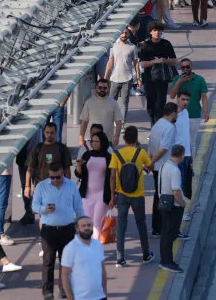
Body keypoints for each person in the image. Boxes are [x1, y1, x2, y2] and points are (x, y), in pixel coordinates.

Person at [33, 162, 86, 300]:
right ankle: (48, 291)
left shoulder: (71, 186)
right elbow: (34, 206)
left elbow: (78, 206)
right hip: (48, 230)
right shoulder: (41, 186)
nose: (55, 180)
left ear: (63, 173)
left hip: (67, 228)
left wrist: (83, 223)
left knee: (66, 261)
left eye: (58, 177)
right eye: (52, 177)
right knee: (48, 260)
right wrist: (44, 209)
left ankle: (64, 288)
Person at [109, 125, 154, 267]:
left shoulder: (116, 154)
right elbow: (150, 167)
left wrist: (112, 196)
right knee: (141, 224)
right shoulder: (140, 153)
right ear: (136, 138)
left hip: (121, 194)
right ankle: (146, 254)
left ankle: (120, 257)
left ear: (124, 138)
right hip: (138, 194)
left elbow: (112, 177)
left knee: (121, 226)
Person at [138, 22, 177, 124]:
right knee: (151, 104)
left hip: (162, 78)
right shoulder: (145, 46)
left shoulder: (166, 44)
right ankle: (153, 123)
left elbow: (173, 60)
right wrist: (153, 62)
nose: (157, 32)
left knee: (160, 103)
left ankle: (158, 127)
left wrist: (164, 61)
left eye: (159, 30)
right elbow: (142, 64)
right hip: (148, 78)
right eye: (155, 30)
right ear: (150, 32)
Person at [75, 132, 112, 239]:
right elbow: (79, 174)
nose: (94, 144)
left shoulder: (108, 157)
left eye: (97, 141)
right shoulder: (87, 155)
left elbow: (112, 178)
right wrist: (78, 167)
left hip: (102, 195)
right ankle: (87, 248)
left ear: (102, 142)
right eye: (92, 141)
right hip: (87, 195)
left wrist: (113, 196)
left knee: (96, 222)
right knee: (86, 221)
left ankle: (94, 248)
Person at [149, 102, 178, 236]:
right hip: (163, 167)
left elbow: (151, 144)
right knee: (164, 197)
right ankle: (161, 227)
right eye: (176, 113)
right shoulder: (169, 128)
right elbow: (163, 149)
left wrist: (150, 161)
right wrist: (152, 161)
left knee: (158, 195)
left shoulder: (157, 124)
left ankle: (157, 226)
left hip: (156, 166)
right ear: (172, 113)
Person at [25, 122, 73, 205]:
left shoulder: (61, 148)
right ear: (44, 132)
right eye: (47, 132)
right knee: (42, 213)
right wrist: (27, 186)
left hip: (58, 186)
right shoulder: (38, 148)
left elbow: (67, 169)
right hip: (41, 185)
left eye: (52, 133)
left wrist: (68, 187)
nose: (49, 135)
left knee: (56, 212)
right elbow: (30, 168)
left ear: (56, 133)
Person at [61, 216, 107, 300]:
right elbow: (65, 275)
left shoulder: (98, 244)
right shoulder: (70, 248)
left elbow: (103, 271)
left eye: (89, 225)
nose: (86, 228)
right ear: (78, 229)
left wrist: (105, 293)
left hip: (100, 297)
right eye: (83, 226)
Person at [168, 58, 209, 150]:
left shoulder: (199, 79)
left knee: (191, 143)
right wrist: (179, 82)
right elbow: (172, 95)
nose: (185, 69)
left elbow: (204, 97)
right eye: (183, 67)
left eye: (187, 66)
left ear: (191, 67)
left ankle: (191, 163)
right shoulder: (177, 79)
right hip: (179, 116)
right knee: (179, 142)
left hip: (194, 116)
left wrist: (205, 112)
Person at [158, 144, 187, 273]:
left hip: (164, 203)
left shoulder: (164, 165)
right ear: (181, 156)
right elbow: (176, 191)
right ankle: (168, 261)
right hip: (173, 206)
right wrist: (182, 204)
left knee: (165, 233)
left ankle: (164, 259)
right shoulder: (175, 170)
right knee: (170, 234)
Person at [105, 29, 141, 122]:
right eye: (122, 33)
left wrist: (138, 79)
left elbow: (136, 63)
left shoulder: (132, 47)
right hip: (114, 78)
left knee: (124, 102)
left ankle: (121, 123)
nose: (124, 35)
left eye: (126, 33)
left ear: (128, 34)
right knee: (111, 101)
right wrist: (105, 78)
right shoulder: (114, 46)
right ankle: (110, 120)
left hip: (127, 78)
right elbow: (110, 62)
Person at [79, 79, 123, 146]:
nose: (102, 89)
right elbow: (84, 122)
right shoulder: (88, 102)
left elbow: (118, 123)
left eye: (105, 88)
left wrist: (117, 136)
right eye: (100, 87)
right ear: (96, 88)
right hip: (90, 140)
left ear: (108, 89)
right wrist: (81, 138)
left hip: (107, 140)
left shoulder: (113, 103)